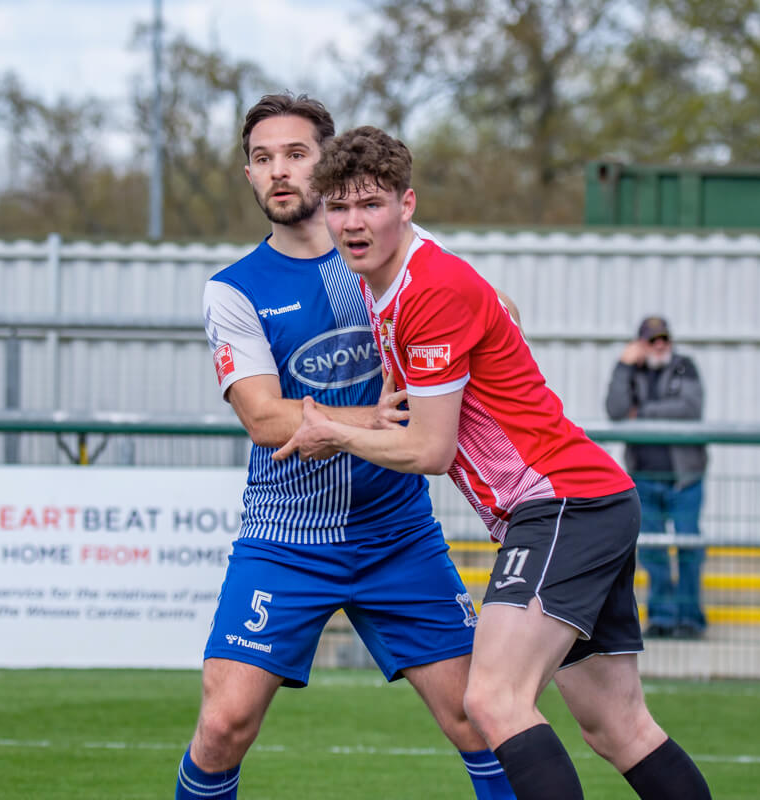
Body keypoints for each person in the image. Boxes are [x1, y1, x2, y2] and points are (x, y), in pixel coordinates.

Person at [275, 126, 712, 799]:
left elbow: (430, 450)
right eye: (338, 206)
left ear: (407, 203)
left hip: (562, 502)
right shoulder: (388, 275)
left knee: (494, 701)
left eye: (370, 204)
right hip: (581, 503)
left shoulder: (427, 287)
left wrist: (330, 429)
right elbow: (493, 306)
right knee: (617, 727)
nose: (352, 223)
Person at [177, 95, 515, 800]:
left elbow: (498, 315)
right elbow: (268, 421)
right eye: (263, 159)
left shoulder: (391, 250)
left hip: (397, 536)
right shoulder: (234, 291)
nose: (279, 172)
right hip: (286, 539)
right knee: (223, 724)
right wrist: (378, 415)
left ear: (327, 164)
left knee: (477, 718)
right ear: (247, 175)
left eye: (296, 155)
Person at [606, 317, 708, 640]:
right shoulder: (630, 371)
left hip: (684, 478)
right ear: (640, 344)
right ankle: (662, 617)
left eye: (665, 338)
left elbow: (690, 408)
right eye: (652, 340)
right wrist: (623, 367)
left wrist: (643, 412)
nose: (660, 344)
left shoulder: (685, 367)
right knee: (651, 551)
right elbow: (615, 408)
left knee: (689, 546)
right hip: (642, 477)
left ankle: (690, 618)